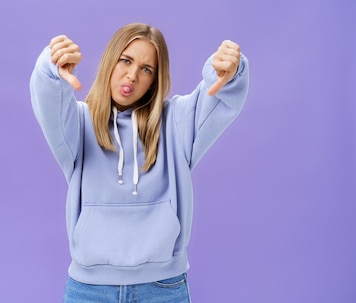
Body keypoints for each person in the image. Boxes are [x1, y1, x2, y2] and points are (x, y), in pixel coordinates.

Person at [30, 23, 249, 302]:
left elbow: (218, 95)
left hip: (162, 288)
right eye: (126, 60)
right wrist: (50, 71)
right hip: (89, 290)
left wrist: (230, 72)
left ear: (155, 80)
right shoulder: (78, 124)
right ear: (111, 60)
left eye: (146, 69)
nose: (132, 75)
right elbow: (48, 104)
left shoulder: (176, 123)